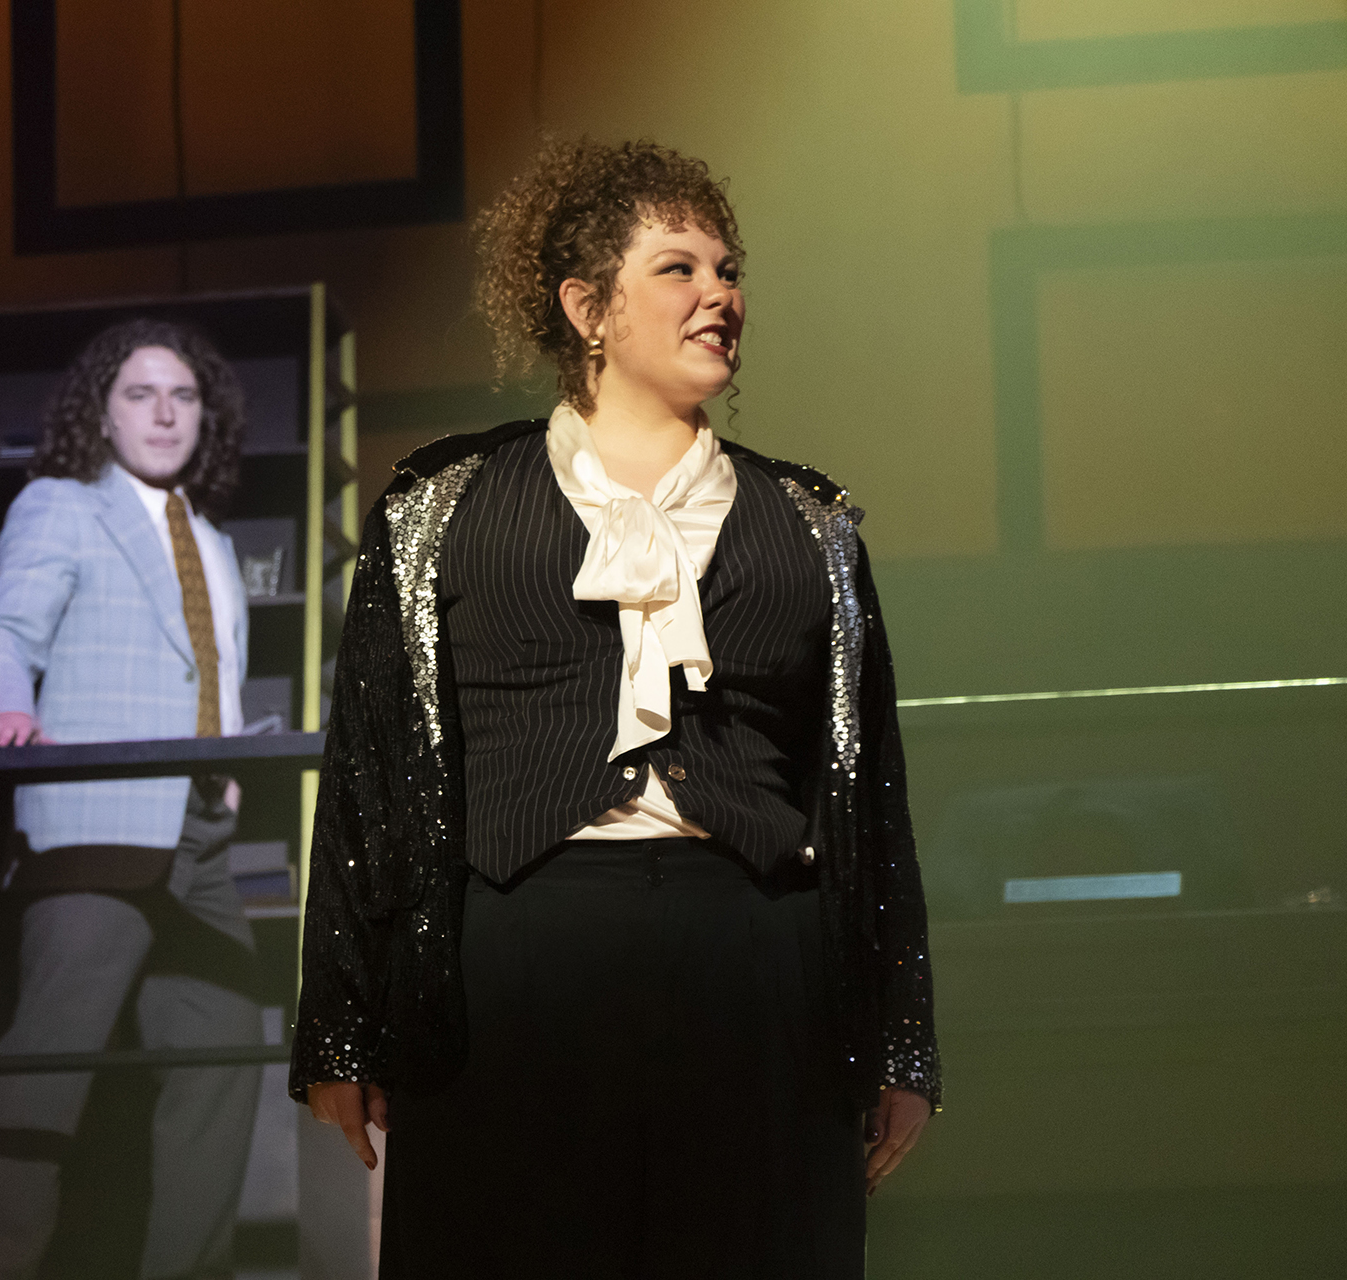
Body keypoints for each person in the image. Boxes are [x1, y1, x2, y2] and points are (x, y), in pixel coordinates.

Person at [292, 138, 942, 1277]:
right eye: (679, 269)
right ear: (588, 307)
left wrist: (899, 1037)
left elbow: (865, 790)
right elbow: (369, 774)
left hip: (752, 949)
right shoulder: (443, 506)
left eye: (729, 271)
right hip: (521, 957)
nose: (719, 295)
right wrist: (342, 1023)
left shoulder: (810, 524)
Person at [0, 317, 261, 1280]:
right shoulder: (63, 506)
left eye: (184, 396)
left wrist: (226, 763)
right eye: (140, 394)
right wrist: (7, 710)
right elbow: (2, 633)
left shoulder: (214, 541)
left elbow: (208, 670)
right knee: (45, 1076)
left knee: (222, 1062)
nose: (165, 414)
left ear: (205, 415)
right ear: (104, 414)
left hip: (201, 837)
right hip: (97, 820)